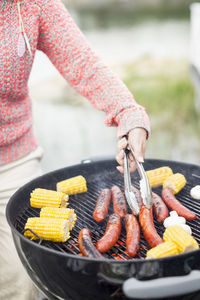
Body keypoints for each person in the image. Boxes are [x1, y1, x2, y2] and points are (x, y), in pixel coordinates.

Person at [0, 0, 150, 299]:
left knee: (19, 282)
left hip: (13, 161)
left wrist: (129, 113)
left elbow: (83, 63)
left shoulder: (32, 5)